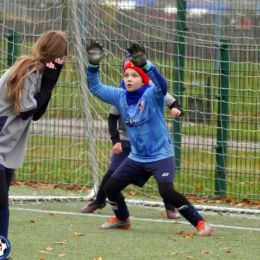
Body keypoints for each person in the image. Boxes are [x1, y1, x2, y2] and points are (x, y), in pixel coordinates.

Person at [86, 41, 214, 236]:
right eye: (126, 75)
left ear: (144, 79)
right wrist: (93, 66)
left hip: (161, 155)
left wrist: (146, 65)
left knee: (166, 192)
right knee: (110, 187)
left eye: (134, 75)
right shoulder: (120, 96)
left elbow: (162, 85)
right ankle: (122, 219)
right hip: (137, 157)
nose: (129, 79)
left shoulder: (152, 94)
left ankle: (201, 223)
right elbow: (95, 88)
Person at [81, 54, 182, 219]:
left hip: (150, 145)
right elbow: (112, 119)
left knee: (163, 180)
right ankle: (99, 201)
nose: (130, 75)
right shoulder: (120, 94)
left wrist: (176, 108)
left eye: (135, 70)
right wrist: (115, 141)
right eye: (127, 71)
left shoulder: (151, 89)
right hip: (126, 141)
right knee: (111, 174)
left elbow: (171, 100)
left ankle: (170, 208)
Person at [0, 30, 71, 258]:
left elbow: (36, 113)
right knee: (0, 202)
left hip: (6, 149)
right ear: (60, 56)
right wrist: (48, 85)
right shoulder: (27, 71)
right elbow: (27, 111)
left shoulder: (36, 72)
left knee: (1, 203)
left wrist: (50, 82)